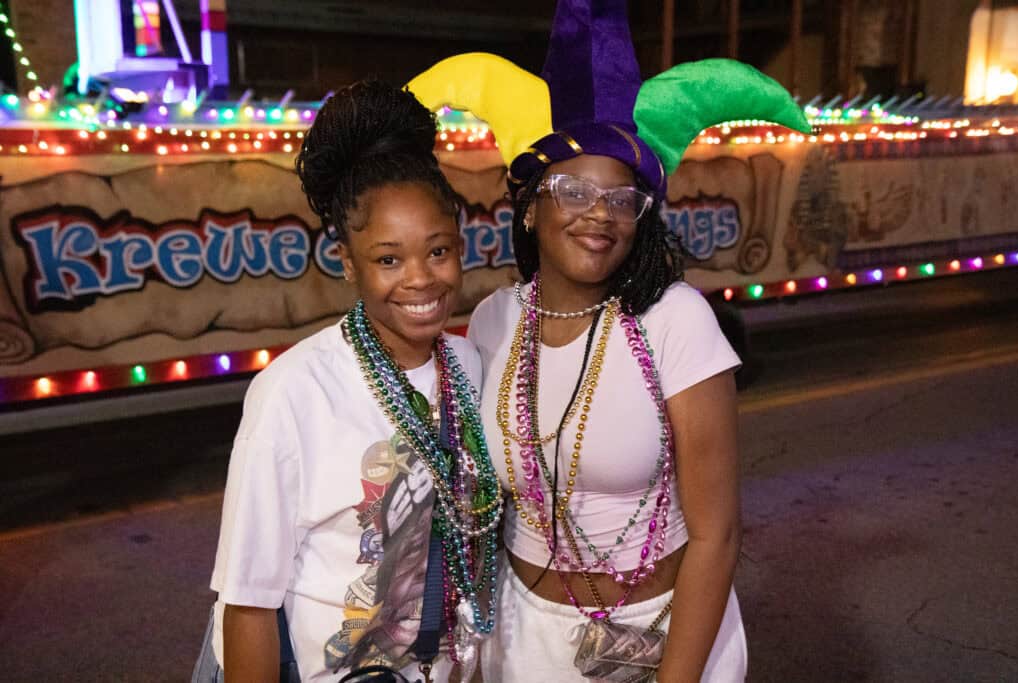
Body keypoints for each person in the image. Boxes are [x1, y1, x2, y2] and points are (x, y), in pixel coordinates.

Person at [407, 1, 810, 680]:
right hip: (525, 640)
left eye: (621, 198)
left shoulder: (675, 321)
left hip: (661, 634)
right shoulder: (492, 323)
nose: (599, 214)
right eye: (572, 190)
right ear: (531, 206)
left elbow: (717, 534)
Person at [203, 80, 502, 683]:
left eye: (438, 251)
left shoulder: (473, 367)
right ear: (348, 263)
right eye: (389, 259)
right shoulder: (294, 391)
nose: (420, 279)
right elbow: (247, 602)